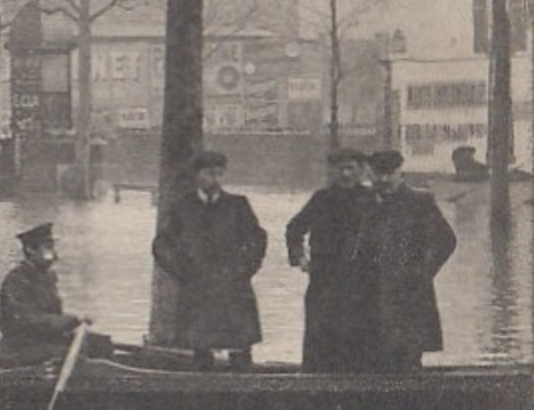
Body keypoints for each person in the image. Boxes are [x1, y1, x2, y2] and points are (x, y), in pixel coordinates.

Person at [152, 150, 267, 370]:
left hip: (233, 285)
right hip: (198, 286)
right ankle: (201, 395)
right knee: (200, 346)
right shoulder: (182, 208)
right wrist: (182, 272)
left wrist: (245, 269)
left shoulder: (237, 205)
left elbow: (257, 239)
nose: (215, 180)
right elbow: (162, 244)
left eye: (219, 174)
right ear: (197, 176)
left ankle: (245, 395)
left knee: (240, 347)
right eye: (209, 174)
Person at [360, 149, 457, 372]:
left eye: (389, 174)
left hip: (410, 290)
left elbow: (446, 240)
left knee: (409, 356)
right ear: (371, 175)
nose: (383, 180)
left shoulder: (419, 201)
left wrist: (424, 272)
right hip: (373, 291)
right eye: (378, 175)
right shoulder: (364, 203)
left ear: (400, 173)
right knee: (373, 358)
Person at [0, 222, 112, 367]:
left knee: (102, 344)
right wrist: (71, 320)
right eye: (49, 248)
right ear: (31, 250)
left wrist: (72, 324)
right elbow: (28, 321)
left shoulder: (47, 277)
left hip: (43, 341)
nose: (55, 255)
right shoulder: (17, 280)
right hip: (20, 347)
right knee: (67, 355)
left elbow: (52, 316)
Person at [285, 149, 376, 372]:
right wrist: (300, 257)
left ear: (361, 171)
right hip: (325, 280)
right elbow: (294, 229)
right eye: (340, 169)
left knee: (360, 337)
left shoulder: (372, 200)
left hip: (361, 282)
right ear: (332, 171)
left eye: (351, 168)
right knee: (320, 337)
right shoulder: (321, 199)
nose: (345, 174)